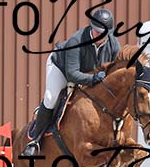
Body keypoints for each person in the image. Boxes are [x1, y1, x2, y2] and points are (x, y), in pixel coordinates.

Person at [21, 9, 121, 156]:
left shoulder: (113, 43)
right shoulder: (76, 41)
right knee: (51, 97)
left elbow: (115, 68)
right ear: (91, 27)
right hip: (61, 67)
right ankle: (35, 140)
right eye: (96, 31)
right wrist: (94, 79)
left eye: (103, 33)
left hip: (89, 72)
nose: (99, 35)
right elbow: (72, 74)